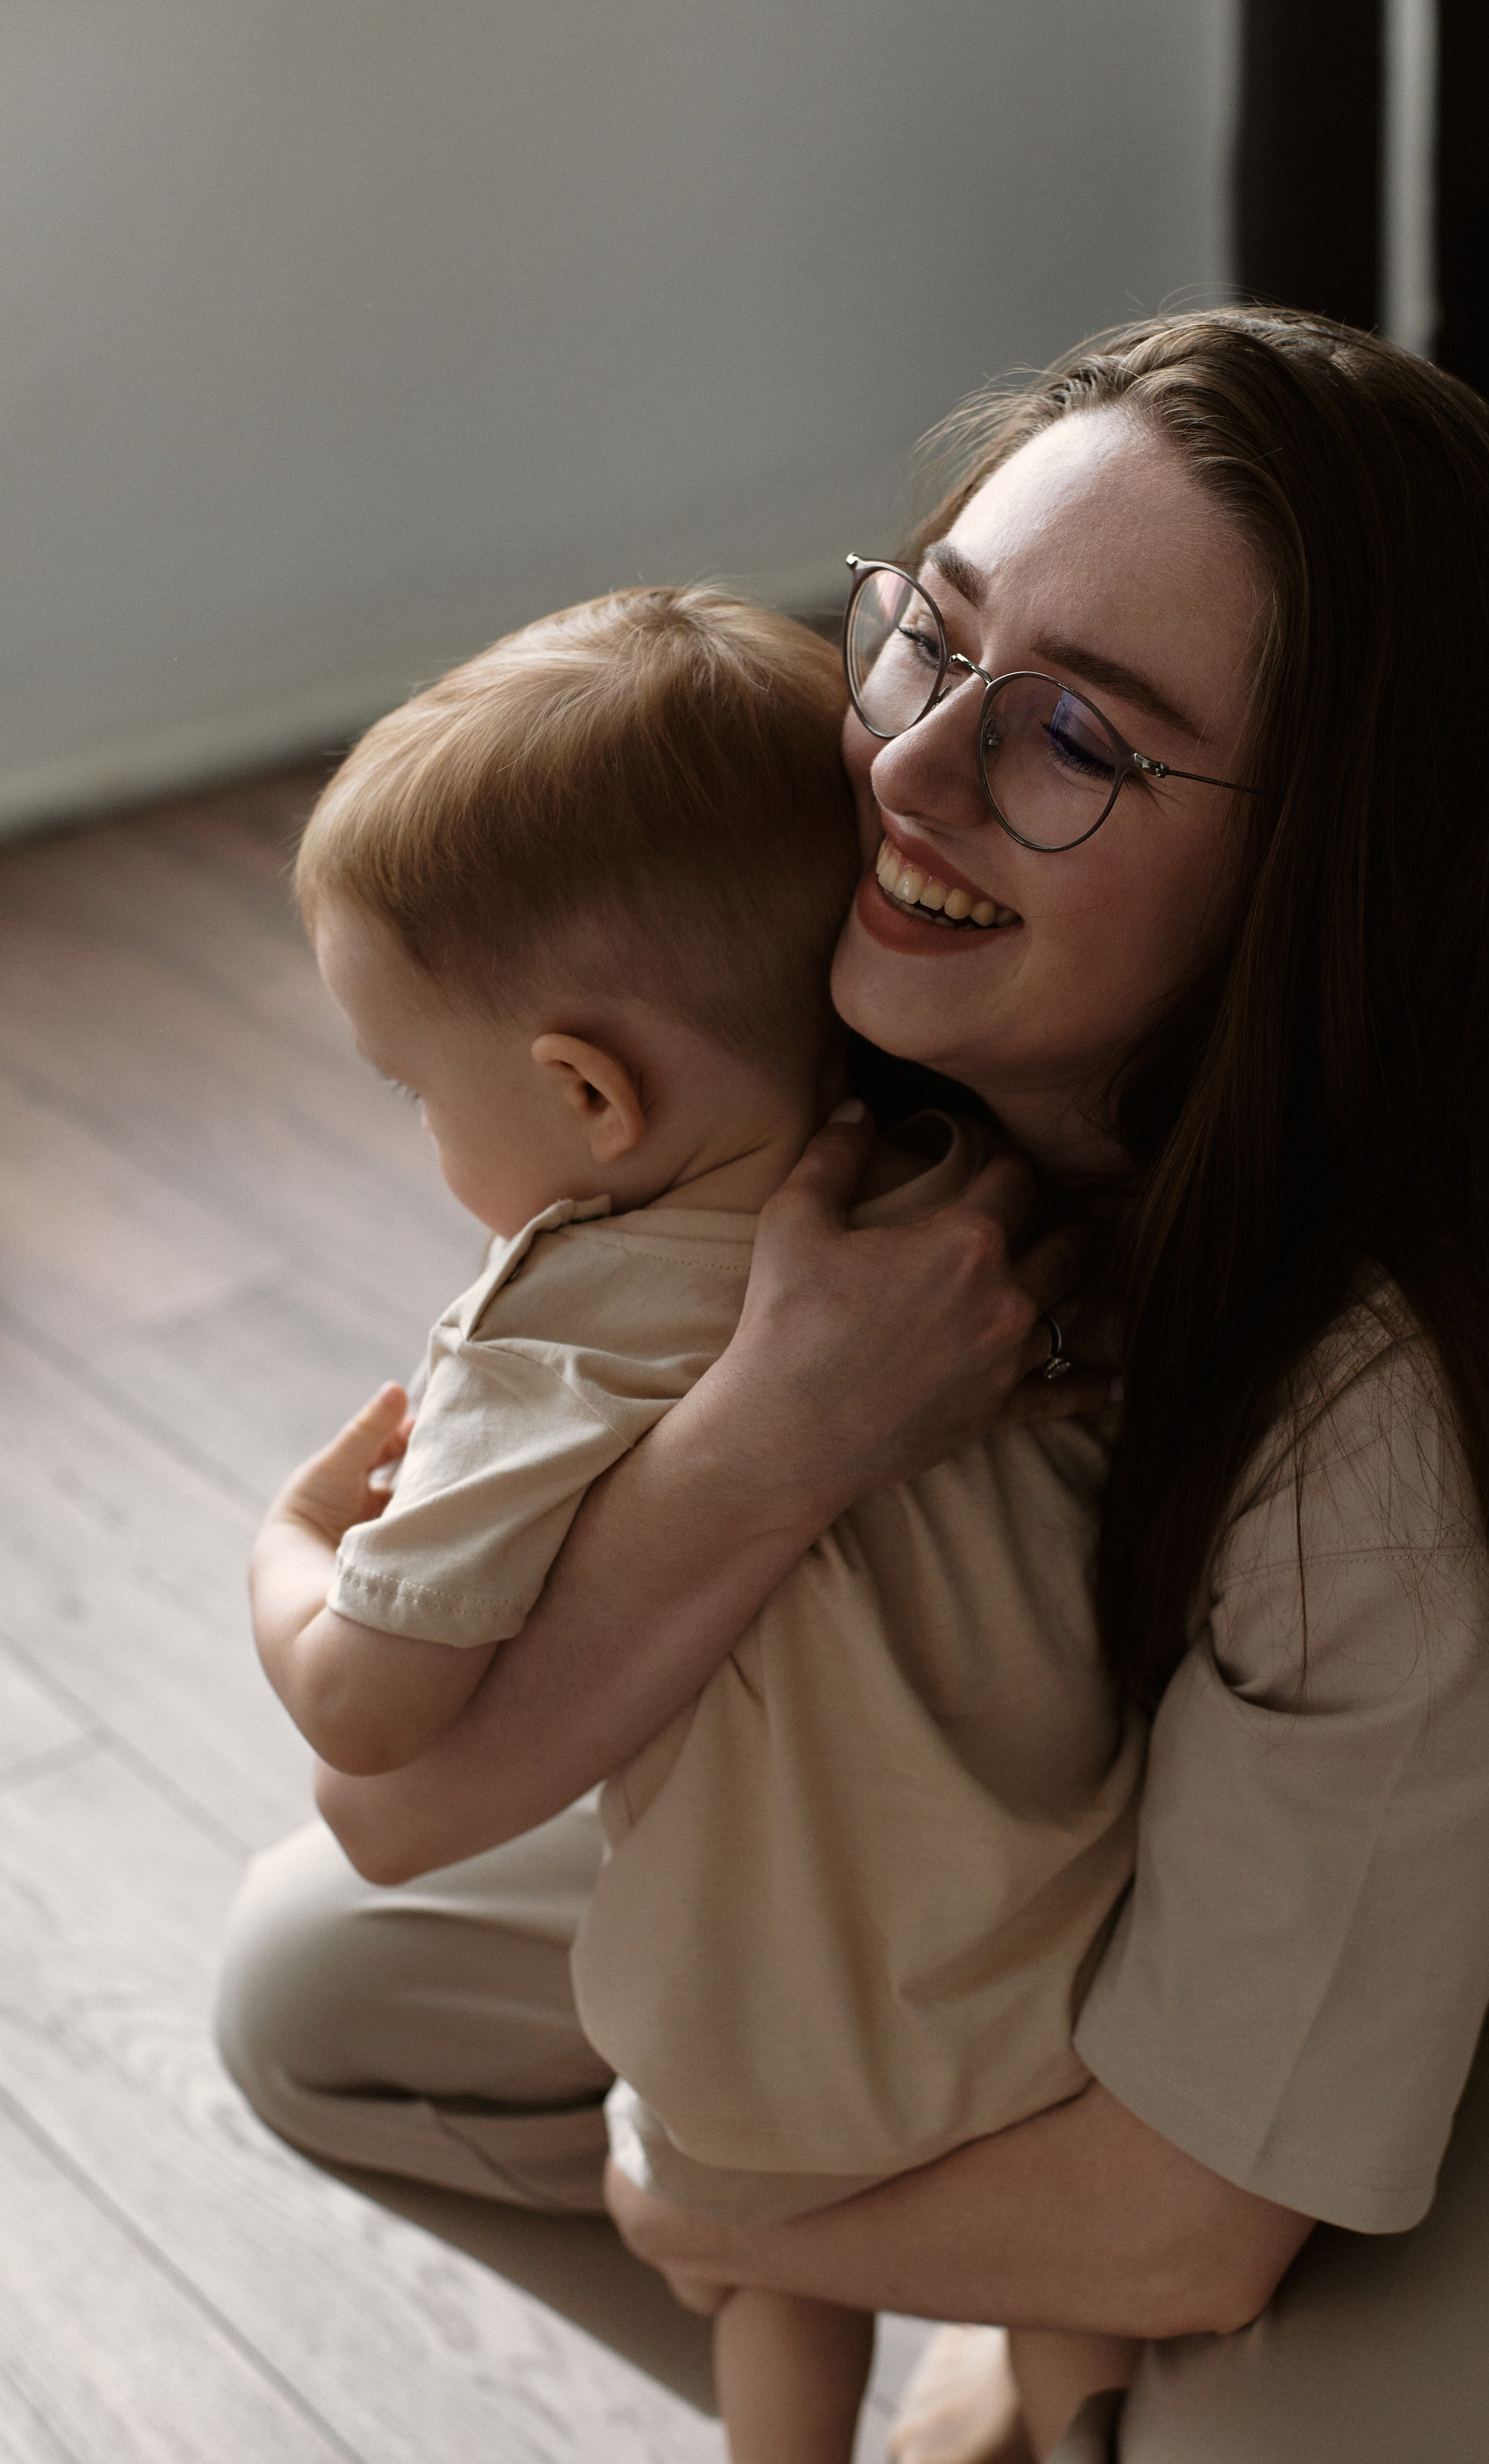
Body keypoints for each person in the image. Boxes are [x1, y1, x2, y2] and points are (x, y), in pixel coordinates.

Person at [216, 310, 1489, 2463]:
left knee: (1246, 2418)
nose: (904, 768)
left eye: (1078, 733)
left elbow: (1189, 2232)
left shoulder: (1394, 1422)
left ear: (1333, 866)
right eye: (926, 634)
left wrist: (717, 2203)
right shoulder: (836, 1016)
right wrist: (772, 1442)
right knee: (334, 1997)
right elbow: (396, 1802)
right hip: (1043, 1782)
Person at [247, 580, 1149, 2463]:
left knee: (775, 2291)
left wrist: (291, 1550)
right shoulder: (975, 1196)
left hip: (766, 1996)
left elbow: (371, 1719)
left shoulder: (558, 1325)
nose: (427, 1137)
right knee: (1089, 2345)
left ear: (585, 1087)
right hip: (1082, 1946)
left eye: (420, 1087)